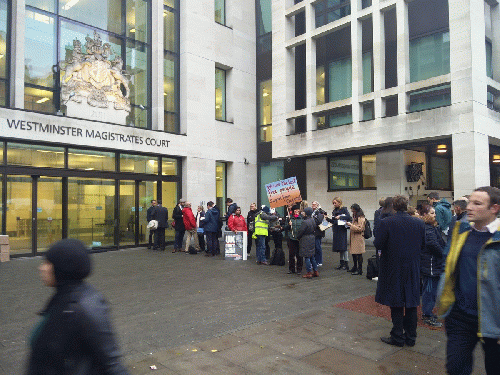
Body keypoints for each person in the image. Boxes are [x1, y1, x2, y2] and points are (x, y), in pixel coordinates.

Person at [27, 239, 130, 374]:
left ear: (61, 267)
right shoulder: (61, 297)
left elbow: (112, 364)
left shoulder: (85, 307)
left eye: (48, 263)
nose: (41, 268)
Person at [437, 186, 500, 375]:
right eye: (470, 202)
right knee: (456, 368)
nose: (469, 207)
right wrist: (444, 300)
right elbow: (447, 265)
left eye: (477, 203)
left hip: (494, 321)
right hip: (460, 317)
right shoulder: (461, 230)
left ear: (494, 208)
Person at [374, 195, 425, 347]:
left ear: (394, 207)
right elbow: (423, 245)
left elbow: (379, 244)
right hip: (412, 267)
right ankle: (411, 337)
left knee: (396, 302)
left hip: (393, 267)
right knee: (411, 303)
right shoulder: (419, 222)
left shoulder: (386, 222)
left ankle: (397, 336)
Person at [417, 204, 445, 328]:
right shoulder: (427, 228)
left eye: (434, 213)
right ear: (424, 215)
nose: (435, 215)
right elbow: (432, 244)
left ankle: (428, 313)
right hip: (431, 265)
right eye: (432, 213)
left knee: (431, 291)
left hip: (432, 264)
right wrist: (444, 253)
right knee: (429, 291)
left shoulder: (430, 227)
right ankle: (427, 315)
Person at [325, 197, 351, 270]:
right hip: (336, 230)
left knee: (343, 247)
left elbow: (348, 217)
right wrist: (327, 218)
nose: (334, 204)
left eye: (335, 203)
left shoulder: (344, 209)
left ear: (339, 202)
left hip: (342, 230)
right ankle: (341, 263)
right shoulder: (334, 210)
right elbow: (333, 221)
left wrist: (340, 217)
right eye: (333, 203)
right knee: (339, 248)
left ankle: (346, 263)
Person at [297, 207, 319, 279]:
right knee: (312, 256)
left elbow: (301, 231)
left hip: (305, 239)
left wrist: (298, 237)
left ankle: (309, 272)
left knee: (307, 257)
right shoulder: (313, 220)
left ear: (306, 213)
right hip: (312, 238)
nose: (302, 213)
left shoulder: (305, 222)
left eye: (303, 212)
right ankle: (315, 271)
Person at [283, 204, 303, 275]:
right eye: (295, 210)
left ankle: (299, 269)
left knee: (299, 254)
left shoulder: (302, 218)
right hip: (291, 238)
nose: (297, 211)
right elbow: (285, 227)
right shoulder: (289, 218)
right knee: (291, 254)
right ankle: (291, 269)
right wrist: (289, 225)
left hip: (299, 238)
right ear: (293, 211)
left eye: (298, 210)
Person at [346, 203, 366, 276]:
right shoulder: (355, 216)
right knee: (354, 253)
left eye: (353, 211)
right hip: (354, 237)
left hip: (358, 238)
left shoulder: (360, 218)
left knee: (358, 254)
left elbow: (360, 229)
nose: (352, 212)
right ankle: (355, 267)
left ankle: (360, 269)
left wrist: (351, 225)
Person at [311, 201, 326, 266]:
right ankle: (315, 260)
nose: (313, 206)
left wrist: (312, 220)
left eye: (314, 204)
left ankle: (319, 261)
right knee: (315, 247)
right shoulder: (313, 212)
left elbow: (319, 221)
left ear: (317, 205)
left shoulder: (320, 212)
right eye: (312, 204)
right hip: (314, 231)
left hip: (318, 232)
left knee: (318, 247)